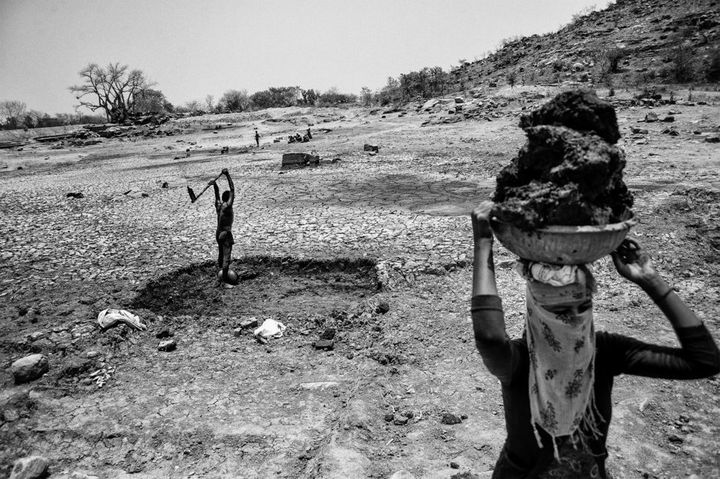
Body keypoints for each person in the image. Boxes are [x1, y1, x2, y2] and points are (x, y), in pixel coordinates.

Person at [470, 201, 720, 478]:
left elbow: (704, 361)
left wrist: (651, 280)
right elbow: (490, 337)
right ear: (536, 311)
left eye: (583, 306)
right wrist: (482, 243)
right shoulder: (519, 361)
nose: (574, 319)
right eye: (560, 311)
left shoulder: (603, 351)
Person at [210, 169, 235, 284]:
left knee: (221, 255)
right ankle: (224, 281)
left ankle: (219, 275)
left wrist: (214, 185)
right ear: (229, 198)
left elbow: (217, 193)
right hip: (225, 233)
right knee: (226, 256)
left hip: (218, 233)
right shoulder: (227, 207)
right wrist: (228, 175)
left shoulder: (219, 205)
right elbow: (233, 189)